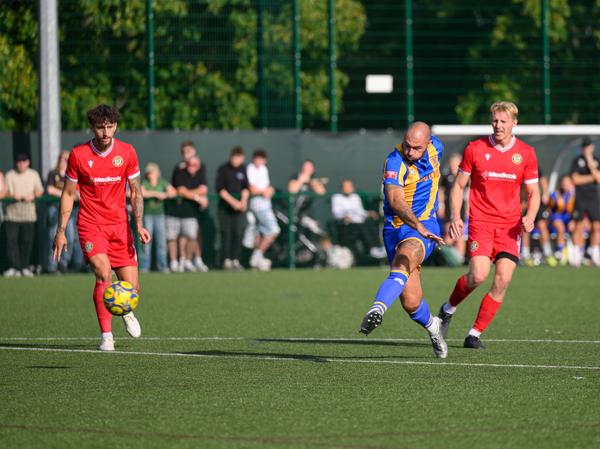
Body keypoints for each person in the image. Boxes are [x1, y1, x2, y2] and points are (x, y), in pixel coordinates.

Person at [437, 101, 540, 349]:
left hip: (510, 228)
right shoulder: (475, 148)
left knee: (502, 280)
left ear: (514, 123)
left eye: (504, 121)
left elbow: (534, 192)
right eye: (495, 120)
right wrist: (455, 216)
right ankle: (447, 309)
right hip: (481, 223)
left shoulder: (526, 153)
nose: (498, 125)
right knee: (478, 276)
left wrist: (531, 216)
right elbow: (458, 186)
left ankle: (474, 334)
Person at [53, 104, 151, 351]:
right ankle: (106, 335)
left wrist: (139, 224)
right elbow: (68, 194)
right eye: (100, 127)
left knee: (132, 288)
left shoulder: (127, 152)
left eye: (110, 126)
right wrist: (61, 231)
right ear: (92, 128)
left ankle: (125, 310)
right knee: (104, 273)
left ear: (116, 126)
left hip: (120, 226)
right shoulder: (79, 155)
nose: (106, 132)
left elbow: (136, 191)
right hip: (91, 225)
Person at [358, 121, 448, 359]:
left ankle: (377, 309)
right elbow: (396, 200)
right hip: (396, 229)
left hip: (426, 226)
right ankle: (434, 326)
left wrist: (422, 226)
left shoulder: (437, 148)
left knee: (405, 256)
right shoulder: (394, 162)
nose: (410, 151)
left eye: (417, 148)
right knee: (411, 302)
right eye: (407, 145)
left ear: (428, 143)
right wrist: (416, 224)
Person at [165, 142, 209, 272]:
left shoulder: (201, 167)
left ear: (194, 151)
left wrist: (190, 193)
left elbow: (203, 189)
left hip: (192, 211)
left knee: (191, 236)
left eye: (189, 151)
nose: (186, 154)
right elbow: (180, 190)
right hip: (175, 210)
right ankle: (176, 262)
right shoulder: (179, 169)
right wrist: (197, 197)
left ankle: (189, 260)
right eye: (184, 152)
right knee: (173, 237)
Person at [3, 153, 44, 277]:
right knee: (11, 241)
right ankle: (14, 267)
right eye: (19, 161)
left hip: (29, 214)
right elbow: (4, 192)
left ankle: (25, 267)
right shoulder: (10, 175)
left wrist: (33, 195)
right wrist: (11, 195)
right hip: (12, 214)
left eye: (23, 161)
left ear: (28, 162)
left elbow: (40, 191)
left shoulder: (34, 175)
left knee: (27, 242)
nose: (21, 164)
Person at [46, 150, 84, 273]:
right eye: (63, 159)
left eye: (68, 160)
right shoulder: (53, 173)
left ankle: (64, 264)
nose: (65, 162)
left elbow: (77, 193)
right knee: (53, 236)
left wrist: (71, 195)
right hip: (55, 208)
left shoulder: (73, 174)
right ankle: (52, 266)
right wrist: (66, 194)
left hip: (68, 211)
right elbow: (50, 189)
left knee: (71, 237)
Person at [331, 179, 385, 260]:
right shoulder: (336, 198)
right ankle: (372, 249)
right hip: (347, 225)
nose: (347, 188)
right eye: (345, 187)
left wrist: (369, 213)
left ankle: (375, 248)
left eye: (349, 186)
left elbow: (360, 211)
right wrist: (344, 217)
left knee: (369, 223)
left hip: (360, 222)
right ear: (341, 188)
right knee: (362, 227)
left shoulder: (355, 197)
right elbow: (336, 213)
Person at [216, 146, 250, 270]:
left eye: (238, 157)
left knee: (238, 233)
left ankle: (236, 260)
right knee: (226, 234)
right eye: (234, 157)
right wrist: (233, 202)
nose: (236, 160)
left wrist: (243, 201)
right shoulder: (223, 169)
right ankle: (226, 260)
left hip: (239, 209)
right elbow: (221, 190)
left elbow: (246, 188)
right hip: (225, 209)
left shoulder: (243, 169)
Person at [246, 149, 280, 270]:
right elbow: (252, 189)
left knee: (261, 232)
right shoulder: (250, 168)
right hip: (257, 205)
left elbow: (267, 187)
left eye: (261, 159)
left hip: (266, 205)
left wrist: (270, 190)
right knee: (274, 230)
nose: (259, 161)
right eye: (257, 158)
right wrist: (263, 192)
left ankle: (256, 258)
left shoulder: (264, 169)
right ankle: (257, 255)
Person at [140, 162, 177, 273]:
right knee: (146, 242)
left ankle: (163, 267)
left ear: (156, 173)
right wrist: (156, 194)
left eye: (151, 172)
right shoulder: (145, 183)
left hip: (160, 216)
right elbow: (141, 192)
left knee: (161, 242)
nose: (149, 175)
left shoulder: (162, 182)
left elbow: (173, 192)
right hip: (148, 215)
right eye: (148, 173)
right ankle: (145, 267)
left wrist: (165, 195)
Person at [569, 137, 600, 267]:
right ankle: (577, 254)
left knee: (596, 226)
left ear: (592, 147)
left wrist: (591, 166)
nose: (586, 149)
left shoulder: (596, 161)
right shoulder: (577, 161)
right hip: (580, 197)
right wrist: (592, 177)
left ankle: (595, 254)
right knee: (578, 225)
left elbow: (598, 179)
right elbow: (575, 179)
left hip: (593, 198)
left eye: (588, 146)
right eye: (584, 147)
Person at [548, 175, 576, 264]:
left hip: (569, 218)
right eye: (564, 182)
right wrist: (557, 200)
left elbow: (576, 210)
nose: (565, 184)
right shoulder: (555, 194)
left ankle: (577, 252)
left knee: (578, 226)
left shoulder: (574, 194)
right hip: (557, 216)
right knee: (561, 228)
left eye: (568, 182)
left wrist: (573, 220)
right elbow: (550, 209)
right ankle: (560, 251)